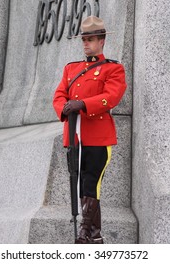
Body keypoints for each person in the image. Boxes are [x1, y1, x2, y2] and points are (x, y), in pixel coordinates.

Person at [53, 15, 127, 244]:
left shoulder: (113, 69)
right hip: (74, 136)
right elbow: (59, 95)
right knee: (78, 182)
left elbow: (111, 97)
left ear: (101, 40)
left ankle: (85, 232)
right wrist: (65, 108)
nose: (85, 43)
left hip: (97, 137)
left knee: (90, 182)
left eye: (91, 39)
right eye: (83, 39)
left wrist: (83, 104)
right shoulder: (71, 68)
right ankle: (94, 236)